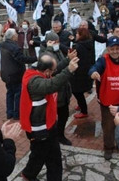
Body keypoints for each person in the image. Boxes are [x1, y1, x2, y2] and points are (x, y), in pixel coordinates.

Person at [20, 53, 79, 181]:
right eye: (51, 71)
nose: (53, 73)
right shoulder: (34, 82)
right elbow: (52, 84)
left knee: (48, 156)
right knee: (42, 156)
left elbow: (55, 72)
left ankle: (29, 175)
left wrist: (67, 60)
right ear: (46, 71)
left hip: (48, 124)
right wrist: (69, 70)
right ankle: (28, 175)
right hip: (40, 129)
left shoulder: (38, 72)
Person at [39, 32, 77, 146]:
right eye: (54, 42)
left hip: (63, 89)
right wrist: (67, 60)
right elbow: (53, 70)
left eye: (57, 42)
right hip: (54, 91)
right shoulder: (45, 55)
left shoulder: (58, 51)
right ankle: (52, 136)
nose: (57, 44)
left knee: (64, 115)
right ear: (48, 43)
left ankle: (60, 135)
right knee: (52, 116)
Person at [0, 28, 37, 120]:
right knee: (17, 94)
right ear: (13, 37)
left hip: (6, 74)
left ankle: (9, 113)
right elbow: (22, 59)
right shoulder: (14, 47)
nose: (17, 36)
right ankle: (17, 114)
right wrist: (34, 59)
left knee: (9, 94)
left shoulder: (3, 45)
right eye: (16, 35)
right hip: (15, 74)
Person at [71, 28, 96, 119]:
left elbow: (73, 55)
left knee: (76, 91)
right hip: (86, 70)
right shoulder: (88, 43)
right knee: (79, 90)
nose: (76, 35)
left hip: (79, 71)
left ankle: (84, 110)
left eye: (77, 34)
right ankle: (80, 105)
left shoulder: (79, 46)